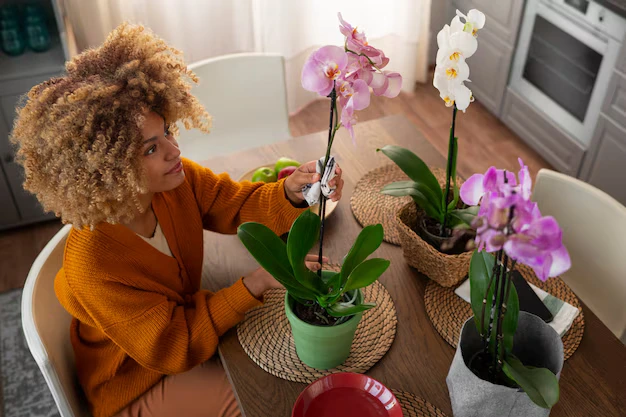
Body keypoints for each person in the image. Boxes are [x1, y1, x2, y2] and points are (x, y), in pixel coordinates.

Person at [10, 23, 344, 417]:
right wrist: (255, 282)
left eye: (166, 132)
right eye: (152, 148)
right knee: (268, 400)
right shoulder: (93, 265)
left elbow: (233, 205)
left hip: (187, 328)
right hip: (136, 382)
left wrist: (290, 192)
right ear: (108, 168)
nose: (174, 150)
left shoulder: (173, 183)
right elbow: (171, 347)